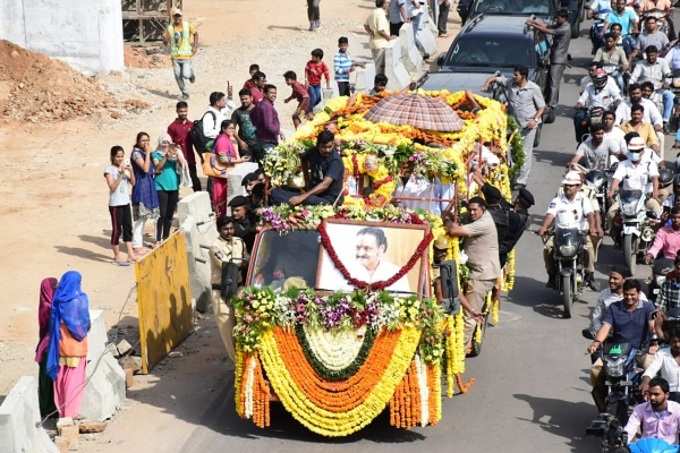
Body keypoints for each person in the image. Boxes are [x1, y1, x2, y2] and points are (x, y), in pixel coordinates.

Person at [587, 278, 657, 410]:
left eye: (632, 294)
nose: (629, 298)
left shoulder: (648, 307)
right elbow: (606, 326)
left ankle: (654, 409)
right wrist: (596, 342)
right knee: (596, 373)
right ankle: (603, 409)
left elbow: (653, 324)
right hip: (617, 350)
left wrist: (654, 340)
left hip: (641, 351)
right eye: (626, 294)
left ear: (638, 293)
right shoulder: (614, 307)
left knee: (655, 371)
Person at [444, 197, 501, 349]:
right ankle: (467, 344)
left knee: (469, 315)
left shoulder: (484, 223)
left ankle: (459, 355)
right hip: (476, 270)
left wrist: (447, 220)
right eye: (470, 210)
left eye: (475, 210)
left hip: (482, 275)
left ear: (484, 209)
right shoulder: (478, 218)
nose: (472, 213)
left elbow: (453, 231)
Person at [482, 66, 546, 189]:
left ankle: (522, 181)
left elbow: (542, 107)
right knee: (509, 151)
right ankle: (512, 175)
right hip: (513, 125)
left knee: (525, 153)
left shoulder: (533, 88)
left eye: (516, 75)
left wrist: (535, 120)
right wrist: (487, 84)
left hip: (528, 126)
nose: (513, 76)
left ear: (523, 76)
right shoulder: (510, 83)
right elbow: (495, 79)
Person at [538, 171, 601, 289]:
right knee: (547, 249)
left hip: (579, 234)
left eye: (571, 185)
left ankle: (589, 275)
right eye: (566, 185)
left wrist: (592, 228)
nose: (568, 187)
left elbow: (590, 215)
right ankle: (551, 275)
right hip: (559, 234)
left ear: (578, 186)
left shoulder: (584, 200)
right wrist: (544, 227)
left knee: (589, 249)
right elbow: (550, 215)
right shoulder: (557, 200)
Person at [46, 271, 91, 418]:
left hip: (61, 347)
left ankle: (62, 412)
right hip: (77, 348)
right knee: (74, 382)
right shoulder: (80, 300)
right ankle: (70, 414)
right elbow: (82, 327)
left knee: (60, 381)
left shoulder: (57, 301)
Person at [271, 130, 345, 206]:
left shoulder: (335, 161)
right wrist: (307, 181)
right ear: (318, 145)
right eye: (323, 147)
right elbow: (303, 158)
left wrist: (302, 197)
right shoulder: (314, 151)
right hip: (314, 194)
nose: (327, 150)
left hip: (329, 199)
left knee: (305, 199)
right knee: (276, 192)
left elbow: (325, 185)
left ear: (333, 144)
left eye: (330, 146)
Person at [210, 216, 248, 361]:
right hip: (221, 292)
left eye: (231, 228)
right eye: (225, 229)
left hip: (238, 289)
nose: (229, 232)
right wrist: (243, 262)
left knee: (244, 325)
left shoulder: (239, 242)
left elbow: (247, 259)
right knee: (227, 329)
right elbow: (228, 266)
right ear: (219, 229)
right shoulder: (215, 246)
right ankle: (237, 364)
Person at [608, 135, 662, 223]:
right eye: (632, 150)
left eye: (637, 150)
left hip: (645, 198)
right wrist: (611, 191)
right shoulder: (623, 164)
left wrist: (655, 192)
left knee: (657, 211)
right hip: (626, 199)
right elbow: (616, 179)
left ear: (643, 150)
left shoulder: (649, 164)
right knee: (611, 213)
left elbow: (655, 179)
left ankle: (655, 235)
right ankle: (612, 233)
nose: (634, 152)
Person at [526, 9, 571, 111]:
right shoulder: (561, 25)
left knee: (554, 83)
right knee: (551, 82)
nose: (556, 19)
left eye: (558, 17)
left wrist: (534, 26)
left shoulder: (565, 28)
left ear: (563, 18)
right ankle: (550, 101)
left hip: (559, 60)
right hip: (555, 58)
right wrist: (534, 22)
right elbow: (547, 26)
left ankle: (551, 105)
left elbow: (549, 31)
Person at [345, 227, 411, 292]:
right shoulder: (346, 271)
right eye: (358, 248)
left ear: (381, 249)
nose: (360, 253)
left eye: (367, 248)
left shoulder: (396, 272)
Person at [104, 145, 137, 265]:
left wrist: (131, 171)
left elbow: (133, 182)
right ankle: (116, 255)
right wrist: (120, 174)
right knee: (117, 230)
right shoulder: (109, 170)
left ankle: (130, 254)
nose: (120, 158)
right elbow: (112, 187)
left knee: (128, 228)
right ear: (113, 157)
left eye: (122, 156)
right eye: (118, 156)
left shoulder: (125, 168)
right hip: (115, 204)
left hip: (125, 202)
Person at [210, 120, 249, 217]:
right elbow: (222, 158)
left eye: (233, 128)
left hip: (224, 175)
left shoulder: (226, 139)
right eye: (230, 128)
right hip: (221, 177)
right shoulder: (223, 140)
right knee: (221, 201)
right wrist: (239, 161)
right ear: (223, 129)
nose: (233, 130)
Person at [625, 377, 680, 444]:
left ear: (666, 395)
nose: (652, 397)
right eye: (650, 394)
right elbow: (629, 430)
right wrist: (624, 443)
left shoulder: (677, 409)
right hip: (646, 449)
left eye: (656, 394)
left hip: (670, 450)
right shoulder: (640, 408)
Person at [630, 46, 674, 129]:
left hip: (658, 89)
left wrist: (666, 83)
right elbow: (633, 77)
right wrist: (632, 86)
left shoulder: (663, 62)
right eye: (649, 55)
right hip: (643, 89)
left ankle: (665, 121)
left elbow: (668, 76)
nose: (651, 57)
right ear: (646, 55)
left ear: (657, 54)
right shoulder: (640, 63)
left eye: (653, 55)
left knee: (669, 95)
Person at [152, 137, 185, 244]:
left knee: (169, 214)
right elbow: (158, 168)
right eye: (164, 142)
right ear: (160, 143)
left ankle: (165, 237)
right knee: (162, 214)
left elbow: (183, 165)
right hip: (160, 186)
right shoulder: (156, 154)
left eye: (168, 142)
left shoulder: (175, 154)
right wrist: (166, 156)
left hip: (174, 186)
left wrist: (178, 153)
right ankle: (157, 239)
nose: (166, 144)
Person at [130, 132, 159, 253]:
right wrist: (148, 153)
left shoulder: (145, 153)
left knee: (145, 217)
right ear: (137, 141)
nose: (146, 143)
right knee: (140, 218)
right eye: (143, 140)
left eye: (147, 140)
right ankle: (136, 245)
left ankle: (138, 242)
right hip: (141, 187)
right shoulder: (136, 153)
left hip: (148, 186)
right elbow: (145, 168)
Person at [35, 277, 58, 418]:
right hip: (52, 346)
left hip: (45, 345)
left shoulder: (45, 304)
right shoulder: (54, 306)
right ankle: (51, 408)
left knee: (46, 380)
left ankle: (47, 408)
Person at [163, 8, 197, 99]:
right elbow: (165, 41)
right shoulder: (170, 28)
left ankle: (191, 74)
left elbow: (196, 33)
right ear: (173, 17)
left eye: (179, 16)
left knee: (185, 75)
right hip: (175, 57)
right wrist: (165, 40)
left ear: (181, 17)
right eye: (175, 16)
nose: (177, 18)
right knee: (178, 76)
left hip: (186, 56)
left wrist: (195, 46)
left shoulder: (187, 25)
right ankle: (185, 93)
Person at [167, 101, 201, 192]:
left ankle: (199, 197)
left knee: (194, 178)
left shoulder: (191, 125)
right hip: (178, 158)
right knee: (177, 179)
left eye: (185, 111)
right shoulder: (172, 127)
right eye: (181, 111)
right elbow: (169, 144)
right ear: (177, 111)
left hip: (190, 157)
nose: (183, 113)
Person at [642, 329, 680, 401]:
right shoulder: (662, 353)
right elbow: (652, 369)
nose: (677, 345)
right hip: (669, 394)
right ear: (669, 341)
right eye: (674, 341)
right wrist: (645, 382)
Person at [250, 84, 283, 158]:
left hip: (260, 139)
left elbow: (251, 114)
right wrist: (277, 131)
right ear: (264, 94)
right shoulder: (267, 106)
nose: (274, 95)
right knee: (271, 165)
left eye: (275, 93)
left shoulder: (260, 104)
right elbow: (269, 126)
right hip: (268, 142)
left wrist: (258, 127)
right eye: (271, 93)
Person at [365, 0, 392, 75]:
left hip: (374, 43)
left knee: (378, 66)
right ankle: (378, 85)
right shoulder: (380, 14)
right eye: (387, 3)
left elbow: (366, 25)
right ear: (383, 4)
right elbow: (381, 30)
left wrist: (371, 32)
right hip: (381, 44)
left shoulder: (373, 12)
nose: (389, 5)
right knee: (380, 68)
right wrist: (389, 38)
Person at [231, 89, 258, 161]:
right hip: (245, 145)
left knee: (261, 166)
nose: (244, 101)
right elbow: (231, 129)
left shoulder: (259, 110)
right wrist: (240, 142)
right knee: (247, 167)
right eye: (242, 99)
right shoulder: (237, 112)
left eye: (246, 99)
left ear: (251, 98)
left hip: (258, 143)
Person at [656, 254, 680, 320]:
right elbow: (659, 307)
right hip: (671, 320)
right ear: (675, 267)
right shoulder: (666, 285)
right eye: (678, 268)